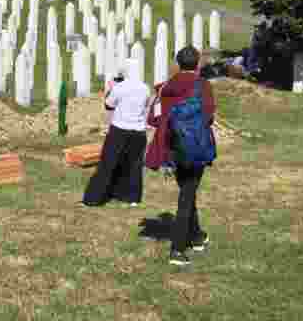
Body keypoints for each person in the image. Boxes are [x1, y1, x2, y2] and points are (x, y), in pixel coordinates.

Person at [145, 46, 216, 267]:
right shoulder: (202, 85)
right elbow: (209, 115)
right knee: (186, 197)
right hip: (194, 147)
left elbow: (153, 119)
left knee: (188, 190)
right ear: (197, 64)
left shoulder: (165, 86)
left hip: (171, 149)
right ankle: (177, 248)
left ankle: (196, 237)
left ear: (178, 63)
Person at [83, 61, 151, 207]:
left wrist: (111, 89)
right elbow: (145, 105)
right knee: (134, 165)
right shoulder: (145, 88)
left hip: (120, 129)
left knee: (107, 164)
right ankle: (132, 198)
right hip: (139, 131)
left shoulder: (120, 87)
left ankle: (93, 198)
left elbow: (109, 104)